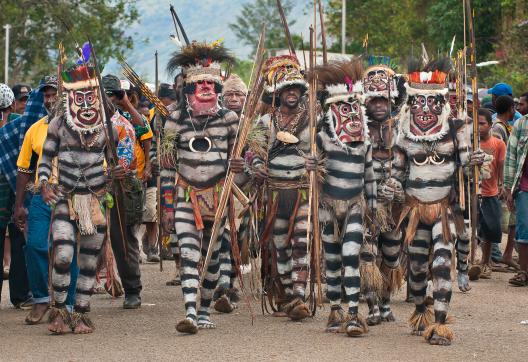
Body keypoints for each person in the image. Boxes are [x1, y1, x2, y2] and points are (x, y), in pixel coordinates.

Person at [39, 46, 136, 334]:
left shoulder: (109, 128)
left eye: (90, 97)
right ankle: (58, 311)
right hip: (65, 198)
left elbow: (115, 163)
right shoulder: (58, 125)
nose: (85, 103)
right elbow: (45, 159)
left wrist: (116, 173)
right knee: (64, 256)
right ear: (69, 97)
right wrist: (44, 184)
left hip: (95, 199)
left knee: (89, 261)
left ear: (98, 98)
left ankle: (81, 314)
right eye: (79, 97)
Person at [395, 57, 476, 346]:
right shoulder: (403, 133)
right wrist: (390, 186)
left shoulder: (458, 129)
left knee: (442, 263)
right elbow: (396, 172)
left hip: (444, 209)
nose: (426, 109)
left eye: (433, 102)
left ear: (443, 103)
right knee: (416, 270)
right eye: (420, 103)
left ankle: (440, 324)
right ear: (410, 104)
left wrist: (476, 160)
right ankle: (421, 309)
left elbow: (467, 165)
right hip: (416, 210)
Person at [161, 41, 240, 334]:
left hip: (217, 197)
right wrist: (168, 207)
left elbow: (240, 160)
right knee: (190, 253)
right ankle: (191, 312)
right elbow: (167, 167)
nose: (206, 88)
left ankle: (205, 309)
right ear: (188, 90)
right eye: (199, 84)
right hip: (185, 195)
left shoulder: (230, 120)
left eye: (211, 83)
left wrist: (240, 166)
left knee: (211, 256)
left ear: (218, 89)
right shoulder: (175, 120)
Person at [306, 58, 376, 336]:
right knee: (332, 259)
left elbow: (369, 177)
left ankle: (354, 314)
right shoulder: (321, 137)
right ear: (332, 110)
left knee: (350, 255)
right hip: (327, 207)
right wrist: (312, 166)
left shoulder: (365, 141)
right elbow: (312, 174)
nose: (351, 115)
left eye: (355, 108)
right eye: (344, 109)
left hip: (354, 205)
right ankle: (335, 309)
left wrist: (373, 208)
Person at [248, 55, 311, 321]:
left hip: (302, 191)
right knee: (279, 245)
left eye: (296, 89)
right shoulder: (265, 122)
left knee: (301, 243)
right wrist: (257, 164)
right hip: (274, 193)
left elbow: (325, 151)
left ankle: (299, 294)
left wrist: (316, 163)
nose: (292, 93)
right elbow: (253, 151)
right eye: (287, 89)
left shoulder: (313, 121)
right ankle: (286, 295)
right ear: (278, 93)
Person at [14, 76, 80, 325]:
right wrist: (20, 204)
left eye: (55, 95)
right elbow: (23, 169)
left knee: (68, 250)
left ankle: (69, 303)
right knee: (34, 246)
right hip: (42, 195)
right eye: (46, 95)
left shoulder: (79, 126)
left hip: (72, 195)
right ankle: (41, 298)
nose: (50, 99)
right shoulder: (36, 128)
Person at [361, 55, 406, 324]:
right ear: (365, 101)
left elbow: (411, 162)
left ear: (391, 100)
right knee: (367, 255)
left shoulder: (402, 128)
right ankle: (372, 306)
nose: (379, 105)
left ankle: (386, 301)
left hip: (393, 207)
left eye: (383, 99)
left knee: (390, 256)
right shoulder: (356, 127)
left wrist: (399, 185)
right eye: (373, 99)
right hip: (366, 204)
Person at [103, 74, 150, 307]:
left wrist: (107, 174)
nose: (105, 100)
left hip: (119, 188)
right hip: (89, 186)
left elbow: (124, 162)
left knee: (123, 239)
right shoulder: (85, 124)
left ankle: (132, 288)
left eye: (110, 96)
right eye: (102, 95)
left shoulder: (123, 125)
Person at [214, 73, 248, 313]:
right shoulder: (213, 120)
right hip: (216, 190)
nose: (234, 98)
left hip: (243, 193)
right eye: (229, 94)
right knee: (221, 239)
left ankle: (230, 282)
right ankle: (222, 284)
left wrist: (248, 167)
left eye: (238, 94)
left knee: (237, 240)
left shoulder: (252, 124)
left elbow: (258, 157)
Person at [0, 83, 32, 309]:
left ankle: (21, 294)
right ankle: (20, 296)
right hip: (14, 193)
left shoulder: (17, 126)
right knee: (19, 242)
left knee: (18, 241)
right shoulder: (18, 126)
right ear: (12, 104)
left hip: (11, 194)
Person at [468, 109, 506, 280]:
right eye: (476, 123)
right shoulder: (469, 144)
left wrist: (503, 186)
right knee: (471, 229)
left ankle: (486, 262)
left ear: (490, 125)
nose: (479, 127)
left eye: (482, 123)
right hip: (471, 192)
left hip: (490, 193)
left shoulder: (498, 144)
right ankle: (470, 262)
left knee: (491, 230)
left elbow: (501, 167)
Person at [491, 95, 517, 266]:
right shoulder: (498, 128)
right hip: (498, 179)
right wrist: (501, 182)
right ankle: (494, 254)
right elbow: (498, 157)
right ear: (510, 109)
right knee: (496, 219)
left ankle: (502, 253)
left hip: (503, 179)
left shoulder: (505, 126)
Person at [504, 114, 528, 286]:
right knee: (524, 226)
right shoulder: (521, 124)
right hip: (524, 186)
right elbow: (511, 156)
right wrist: (508, 188)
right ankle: (523, 271)